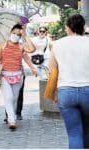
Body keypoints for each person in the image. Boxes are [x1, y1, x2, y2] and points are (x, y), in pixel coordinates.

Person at [49, 14, 89, 149]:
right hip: (87, 90)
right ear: (83, 27)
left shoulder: (57, 44)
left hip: (65, 91)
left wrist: (53, 93)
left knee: (74, 134)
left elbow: (52, 70)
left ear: (68, 27)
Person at [0, 24, 36, 130]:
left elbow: (32, 50)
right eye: (14, 33)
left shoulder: (21, 46)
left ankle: (11, 116)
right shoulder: (2, 45)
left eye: (18, 34)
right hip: (4, 76)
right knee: (8, 97)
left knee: (15, 99)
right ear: (10, 33)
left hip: (18, 76)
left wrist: (25, 35)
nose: (15, 35)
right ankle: (12, 120)